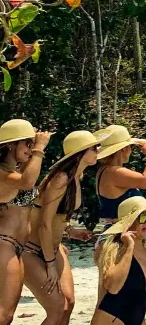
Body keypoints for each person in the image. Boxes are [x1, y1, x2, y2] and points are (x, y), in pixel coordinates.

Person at [22, 130, 99, 325]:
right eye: (93, 148)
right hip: (33, 251)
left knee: (69, 303)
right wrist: (49, 265)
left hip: (53, 248)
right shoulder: (61, 179)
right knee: (57, 308)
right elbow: (44, 224)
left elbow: (54, 217)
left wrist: (70, 232)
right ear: (80, 153)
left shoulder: (75, 178)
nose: (97, 151)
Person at [92, 197, 146, 325]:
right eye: (143, 217)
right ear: (129, 221)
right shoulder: (111, 248)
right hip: (110, 318)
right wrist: (129, 247)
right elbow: (113, 287)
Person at [0, 119, 50, 325]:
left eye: (32, 144)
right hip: (4, 245)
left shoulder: (16, 171)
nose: (31, 149)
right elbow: (27, 183)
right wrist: (39, 148)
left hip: (16, 247)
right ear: (11, 144)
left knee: (7, 313)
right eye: (27, 144)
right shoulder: (2, 172)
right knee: (4, 314)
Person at [94, 125, 146, 229]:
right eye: (130, 146)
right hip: (120, 233)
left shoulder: (105, 171)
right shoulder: (113, 172)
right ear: (123, 149)